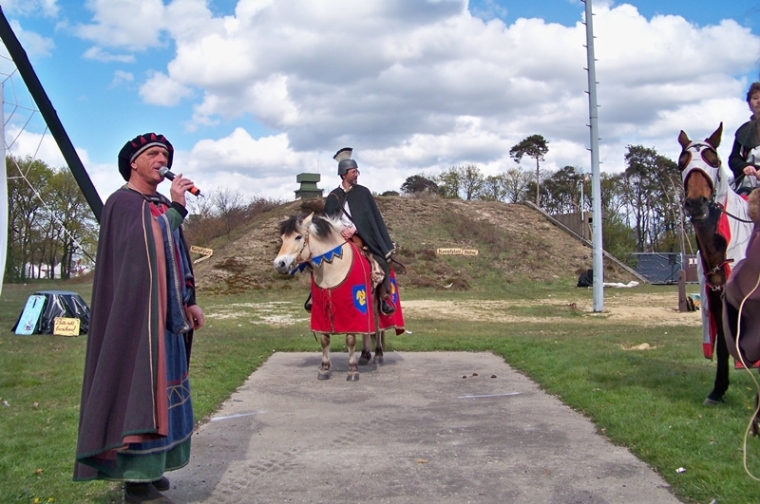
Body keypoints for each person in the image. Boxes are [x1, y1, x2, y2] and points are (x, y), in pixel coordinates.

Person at [74, 133, 204, 504]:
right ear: (134, 162)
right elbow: (143, 247)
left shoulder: (161, 203)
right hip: (137, 319)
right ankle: (135, 480)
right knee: (140, 393)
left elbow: (177, 254)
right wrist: (177, 211)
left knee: (167, 394)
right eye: (153, 154)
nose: (161, 159)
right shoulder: (122, 203)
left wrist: (190, 300)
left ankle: (154, 467)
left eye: (165, 154)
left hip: (167, 315)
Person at [323, 147, 396, 314]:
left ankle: (384, 298)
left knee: (379, 259)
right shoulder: (333, 196)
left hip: (361, 234)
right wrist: (341, 229)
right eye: (353, 172)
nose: (356, 175)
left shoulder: (363, 193)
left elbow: (370, 218)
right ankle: (315, 297)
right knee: (318, 258)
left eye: (357, 172)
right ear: (344, 174)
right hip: (337, 235)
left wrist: (354, 228)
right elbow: (327, 220)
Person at [729, 81, 760, 190]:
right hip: (748, 184)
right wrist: (745, 167)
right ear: (749, 104)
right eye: (755, 98)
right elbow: (734, 158)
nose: (759, 101)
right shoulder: (743, 131)